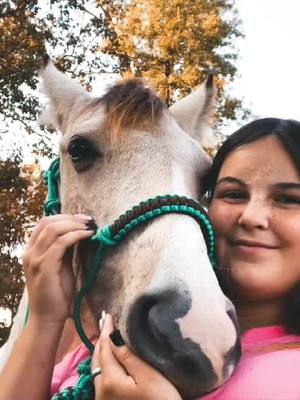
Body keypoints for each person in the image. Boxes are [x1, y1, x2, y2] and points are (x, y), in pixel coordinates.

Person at [1, 117, 300, 399]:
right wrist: (44, 320)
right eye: (233, 194)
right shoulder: (117, 339)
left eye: (288, 199)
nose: (251, 217)